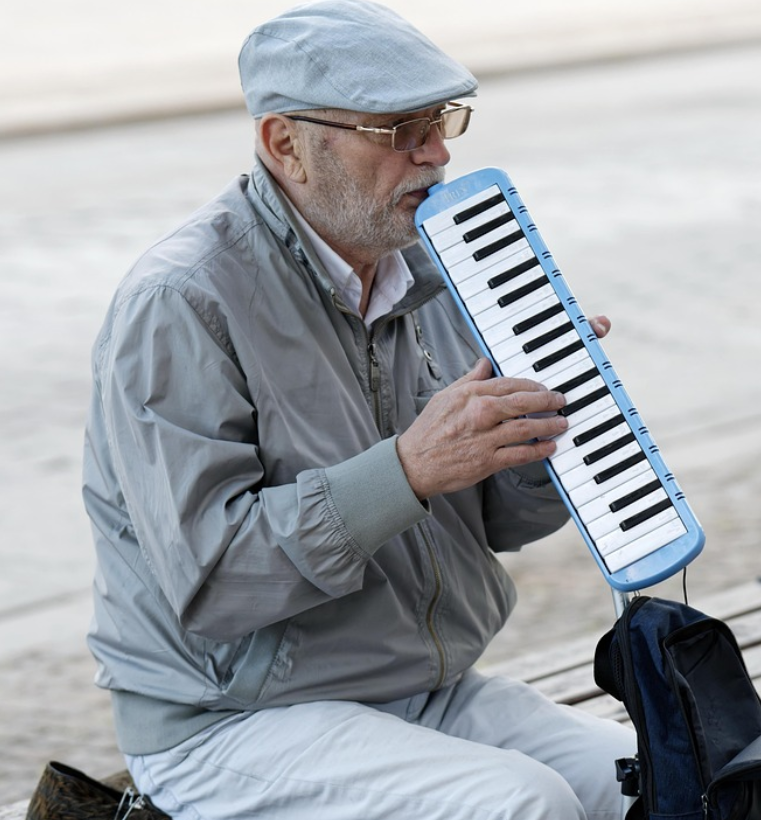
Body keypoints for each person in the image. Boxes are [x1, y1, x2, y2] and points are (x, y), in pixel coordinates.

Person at [82, 1, 635, 818]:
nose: (437, 154)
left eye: (442, 121)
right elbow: (213, 583)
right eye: (399, 131)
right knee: (522, 804)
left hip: (414, 687)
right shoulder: (181, 301)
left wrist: (546, 426)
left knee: (662, 773)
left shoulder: (434, 265)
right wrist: (408, 471)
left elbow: (497, 523)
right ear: (286, 145)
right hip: (228, 722)